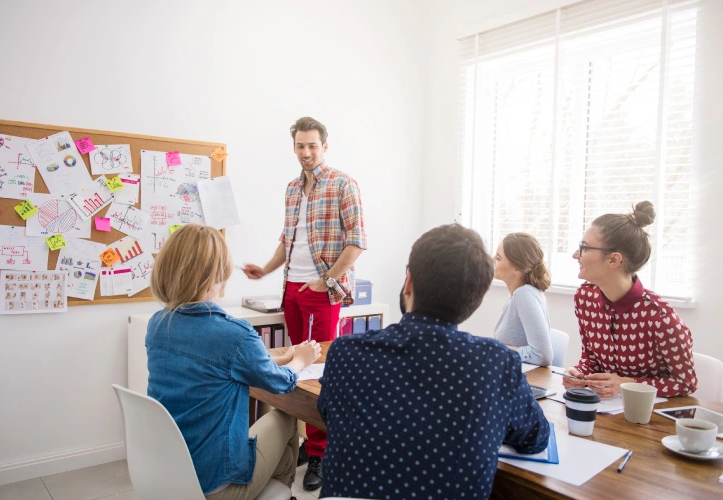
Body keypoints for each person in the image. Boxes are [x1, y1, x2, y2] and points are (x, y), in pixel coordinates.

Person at [317, 224, 550, 499]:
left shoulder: (346, 353)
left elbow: (328, 413)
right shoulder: (496, 364)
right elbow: (535, 438)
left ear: (409, 282)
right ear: (475, 299)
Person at [146, 223, 322, 499]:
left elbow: (218, 365)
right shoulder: (234, 334)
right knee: (287, 416)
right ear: (221, 275)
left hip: (171, 471)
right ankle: (281, 493)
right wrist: (300, 359)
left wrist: (283, 356)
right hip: (216, 485)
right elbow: (281, 384)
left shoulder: (158, 324)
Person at [243, 116, 366, 491]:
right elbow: (287, 239)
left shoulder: (343, 184)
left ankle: (322, 453)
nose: (307, 152)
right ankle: (303, 442)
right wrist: (265, 269)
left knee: (320, 373)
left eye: (313, 145)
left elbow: (357, 241)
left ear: (324, 146)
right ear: (294, 147)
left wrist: (325, 280)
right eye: (300, 146)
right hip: (291, 289)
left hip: (322, 292)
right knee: (296, 368)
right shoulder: (292, 188)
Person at [562, 201, 698, 398]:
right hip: (604, 412)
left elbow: (686, 383)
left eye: (584, 248)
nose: (576, 255)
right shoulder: (585, 298)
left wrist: (628, 384)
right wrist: (579, 373)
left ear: (614, 260)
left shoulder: (661, 318)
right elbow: (591, 358)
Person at [493, 232, 554, 366]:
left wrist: (501, 349)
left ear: (516, 268)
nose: (493, 260)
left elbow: (543, 355)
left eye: (498, 258)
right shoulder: (518, 294)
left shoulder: (524, 294)